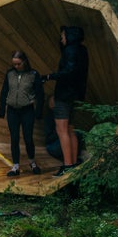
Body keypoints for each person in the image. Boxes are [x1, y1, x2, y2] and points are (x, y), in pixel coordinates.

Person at [42, 26, 89, 176]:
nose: (61, 39)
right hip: (76, 95)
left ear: (69, 36)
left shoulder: (70, 50)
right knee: (70, 129)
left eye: (63, 36)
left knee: (61, 130)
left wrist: (49, 77)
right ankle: (74, 162)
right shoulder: (83, 50)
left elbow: (68, 72)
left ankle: (67, 165)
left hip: (64, 96)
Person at [0, 50, 44, 176]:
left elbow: (40, 94)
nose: (16, 66)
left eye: (18, 64)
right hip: (12, 110)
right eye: (14, 64)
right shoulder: (10, 74)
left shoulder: (33, 74)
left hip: (27, 111)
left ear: (24, 62)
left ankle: (32, 162)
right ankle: (15, 167)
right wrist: (2, 109)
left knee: (28, 137)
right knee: (14, 138)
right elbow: (4, 91)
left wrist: (38, 111)